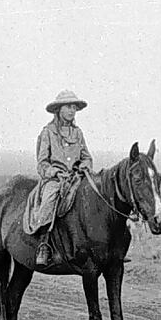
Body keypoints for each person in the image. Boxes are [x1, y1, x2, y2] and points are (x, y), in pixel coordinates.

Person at [28, 90, 93, 267]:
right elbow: (42, 163)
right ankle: (44, 244)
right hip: (55, 180)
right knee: (49, 200)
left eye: (74, 107)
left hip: (76, 178)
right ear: (59, 109)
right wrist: (54, 172)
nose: (72, 111)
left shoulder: (78, 133)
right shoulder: (47, 132)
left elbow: (87, 156)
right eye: (68, 107)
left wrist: (84, 165)